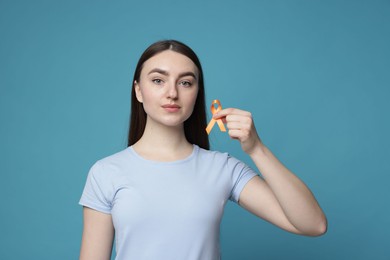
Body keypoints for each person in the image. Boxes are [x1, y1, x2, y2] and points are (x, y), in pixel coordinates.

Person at [79, 40, 327, 260]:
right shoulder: (106, 172)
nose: (172, 93)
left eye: (185, 82)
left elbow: (313, 224)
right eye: (158, 80)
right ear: (138, 91)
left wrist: (256, 149)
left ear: (196, 93)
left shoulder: (223, 168)